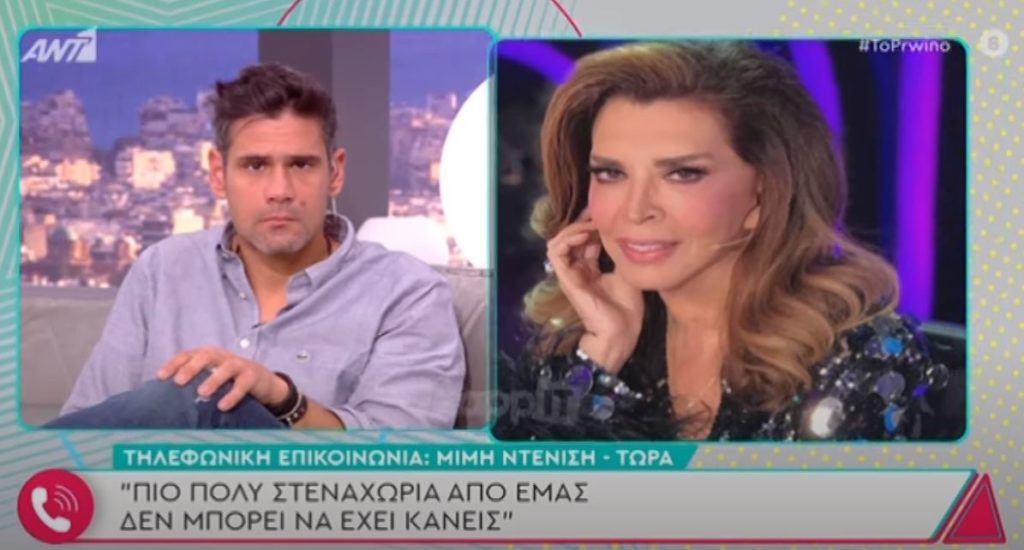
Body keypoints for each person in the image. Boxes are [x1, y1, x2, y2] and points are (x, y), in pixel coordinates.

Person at [493, 41, 953, 441]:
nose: (634, 210)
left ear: (766, 192)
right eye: (610, 173)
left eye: (682, 173)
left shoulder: (862, 358)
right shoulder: (586, 341)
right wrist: (599, 358)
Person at [46, 63, 466, 430]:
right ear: (218, 174)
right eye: (255, 165)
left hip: (316, 495)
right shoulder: (161, 270)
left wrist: (281, 399)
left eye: (301, 164)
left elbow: (404, 456)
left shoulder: (407, 293)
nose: (279, 190)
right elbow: (86, 427)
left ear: (335, 173)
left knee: (205, 394)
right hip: (155, 494)